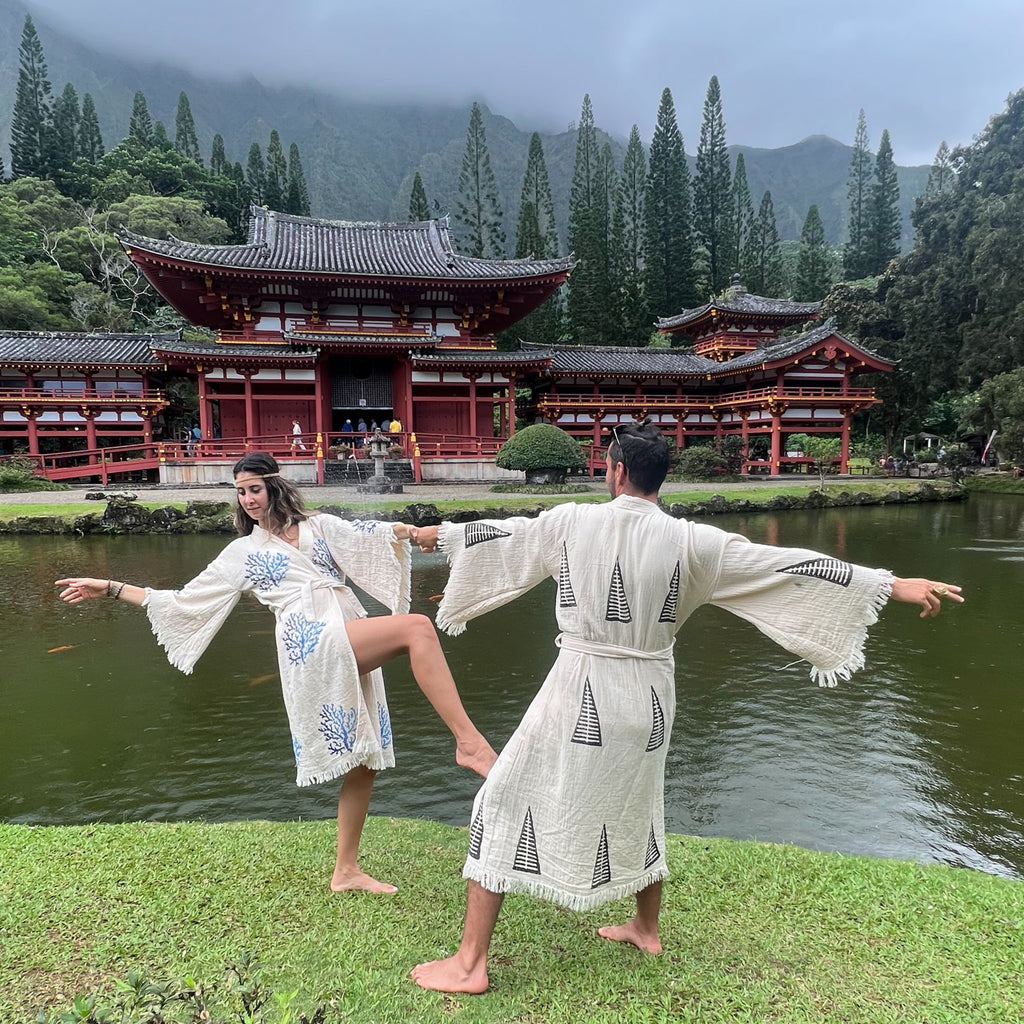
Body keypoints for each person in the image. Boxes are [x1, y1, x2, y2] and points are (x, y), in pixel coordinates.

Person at [408, 419, 963, 994]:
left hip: (582, 684)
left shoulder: (570, 521)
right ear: (660, 478)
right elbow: (783, 564)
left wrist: (438, 535)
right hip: (652, 695)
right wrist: (888, 583)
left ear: (618, 472)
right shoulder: (695, 542)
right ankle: (645, 928)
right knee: (641, 799)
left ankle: (469, 964)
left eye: (607, 466)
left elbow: (505, 535)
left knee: (502, 800)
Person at [56, 452, 496, 894]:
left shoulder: (319, 525)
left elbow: (370, 533)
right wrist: (110, 587)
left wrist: (416, 533)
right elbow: (183, 600)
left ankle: (345, 870)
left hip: (344, 624)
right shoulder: (242, 553)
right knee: (417, 628)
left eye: (254, 489)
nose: (248, 499)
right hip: (308, 640)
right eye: (241, 492)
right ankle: (468, 743)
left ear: (274, 487)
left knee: (365, 762)